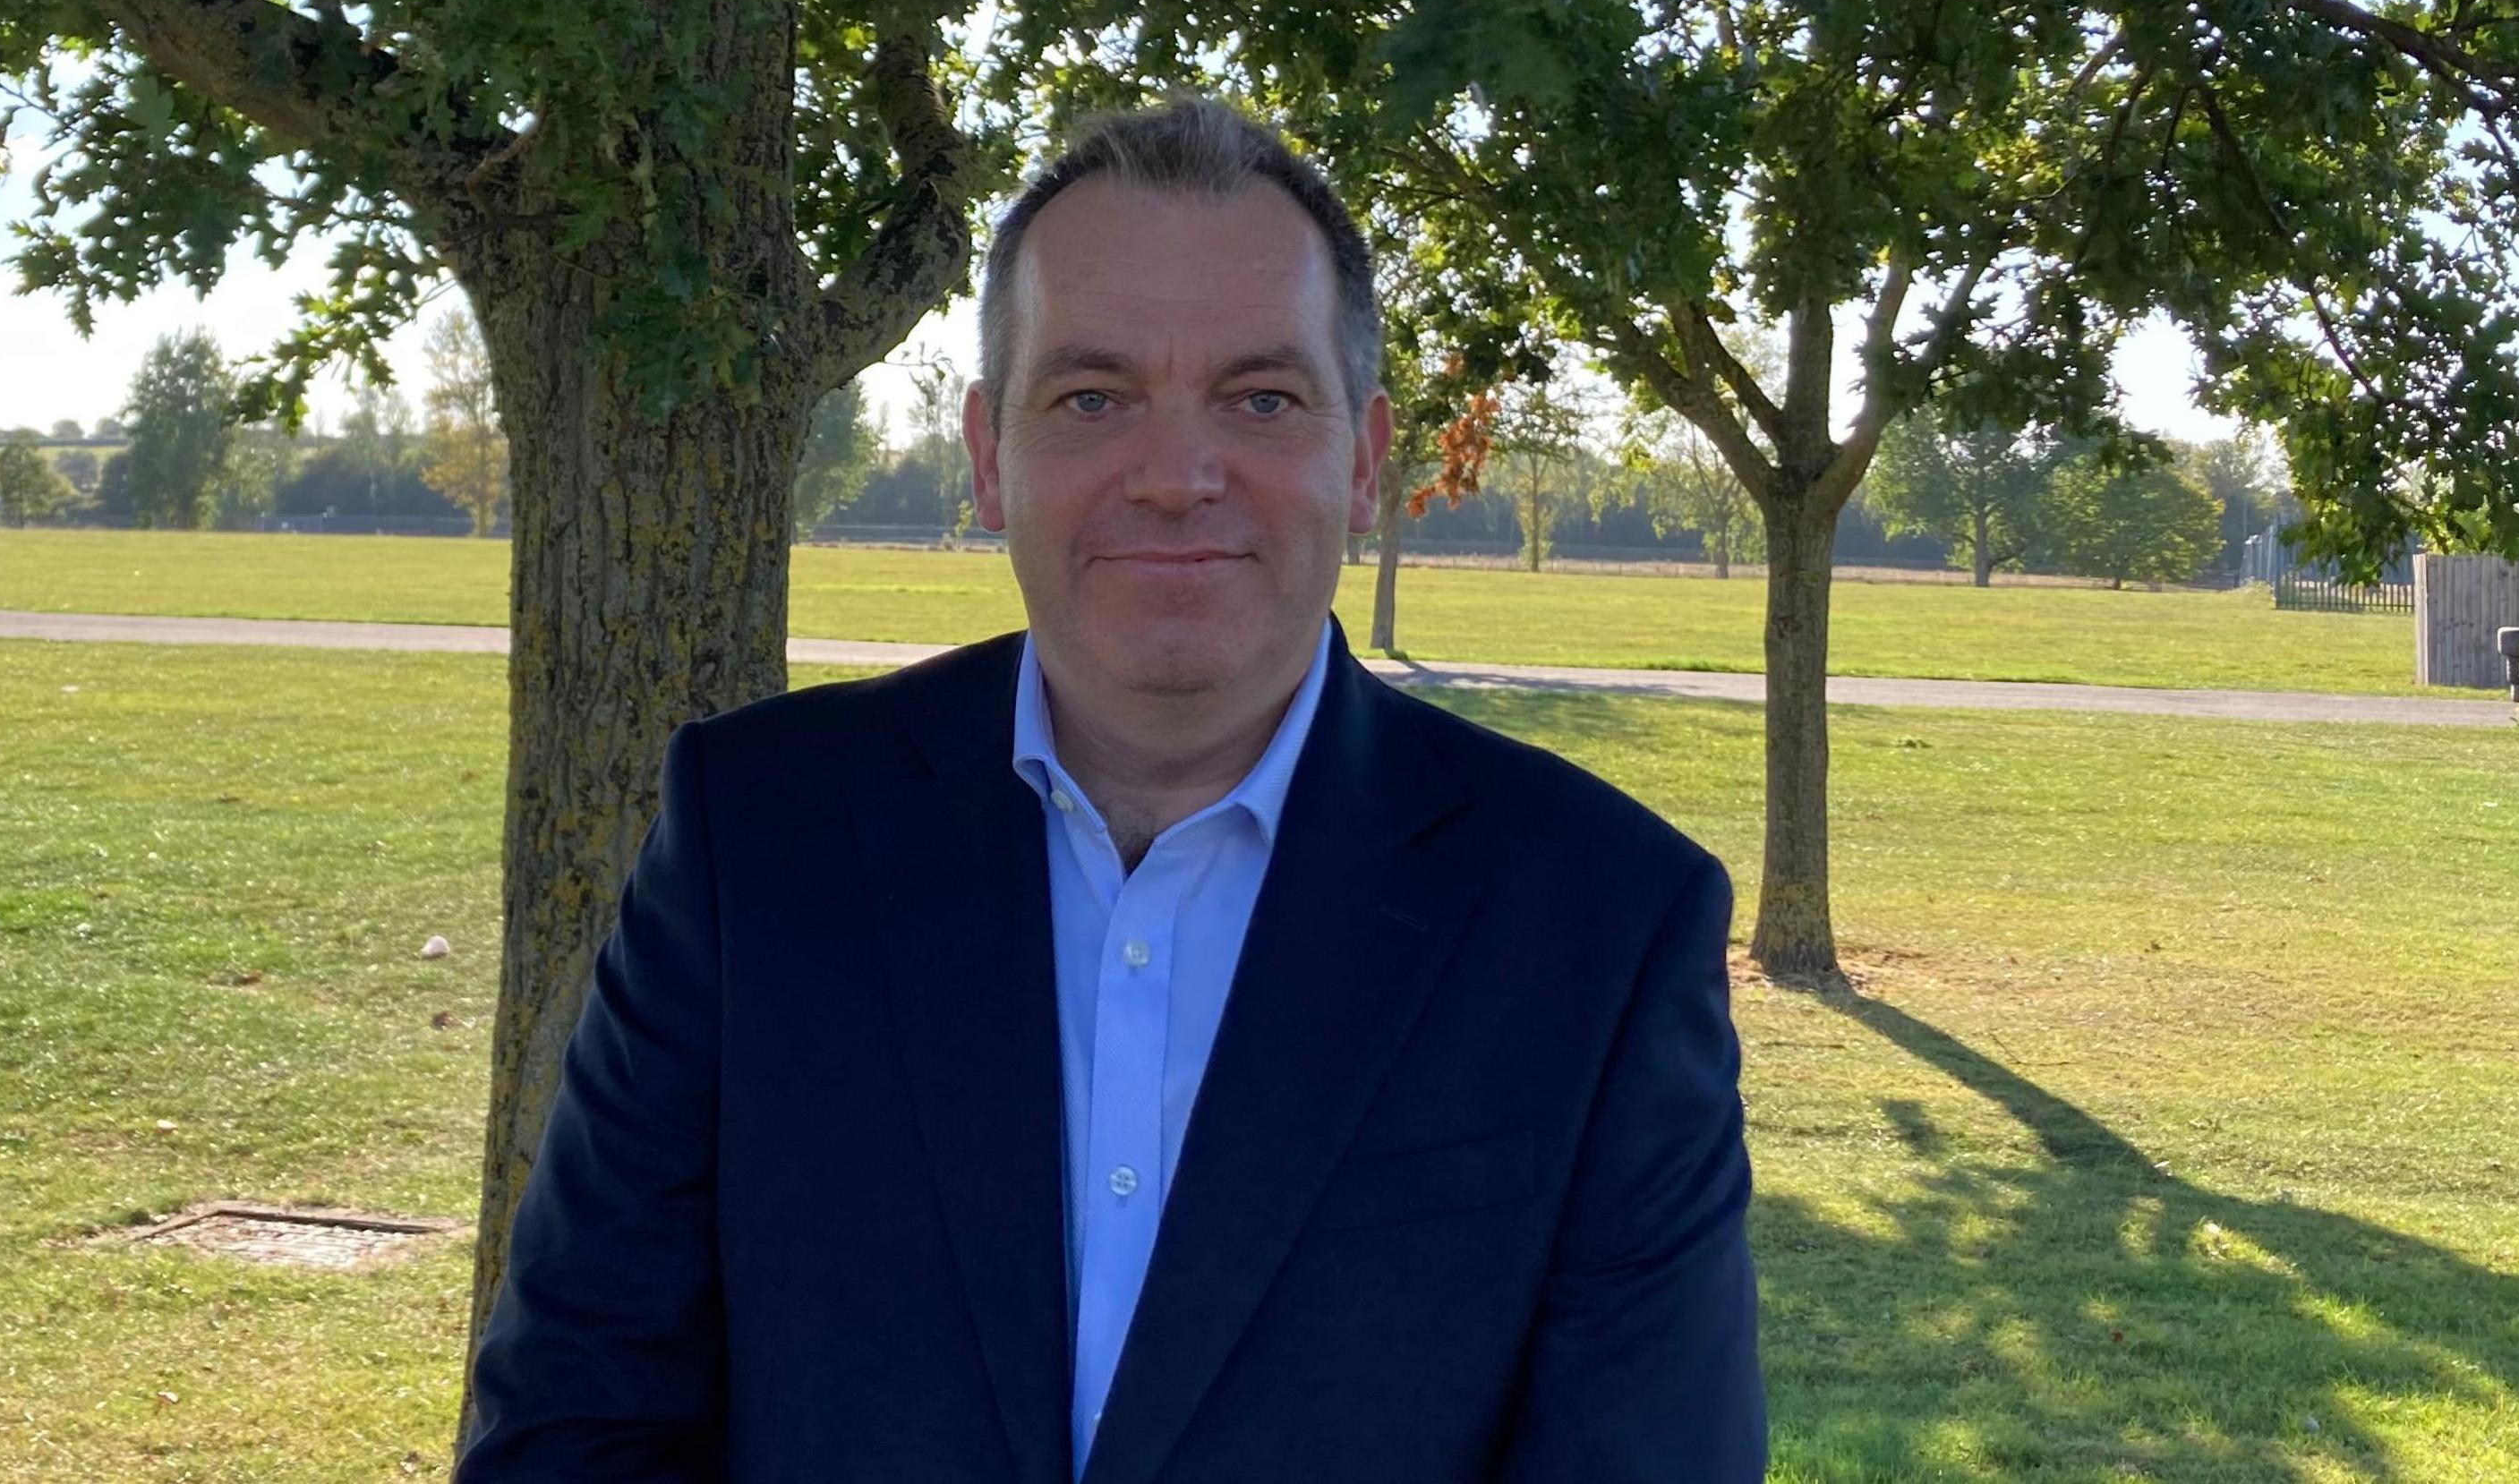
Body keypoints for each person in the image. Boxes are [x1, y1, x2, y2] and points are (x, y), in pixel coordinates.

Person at [458, 98, 1763, 1483]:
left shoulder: (1601, 922)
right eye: (1093, 399)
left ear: (1367, 459)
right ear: (986, 458)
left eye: (1261, 400)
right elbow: (576, 1422)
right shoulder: (758, 837)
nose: (1176, 478)